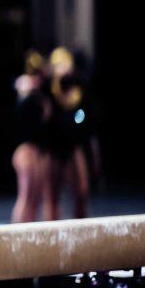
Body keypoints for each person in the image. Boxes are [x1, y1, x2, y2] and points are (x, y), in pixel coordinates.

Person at [44, 47, 96, 220]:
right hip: (53, 146)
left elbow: (84, 114)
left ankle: (81, 230)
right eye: (58, 66)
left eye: (65, 65)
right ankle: (52, 234)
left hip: (73, 144)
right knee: (52, 195)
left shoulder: (77, 87)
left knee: (81, 191)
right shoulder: (47, 88)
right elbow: (46, 118)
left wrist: (76, 120)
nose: (62, 70)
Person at [11, 50, 50, 223]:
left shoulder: (44, 93)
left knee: (36, 198)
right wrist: (24, 92)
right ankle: (16, 236)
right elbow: (19, 117)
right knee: (25, 196)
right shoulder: (24, 89)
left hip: (39, 149)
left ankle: (30, 236)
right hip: (25, 148)